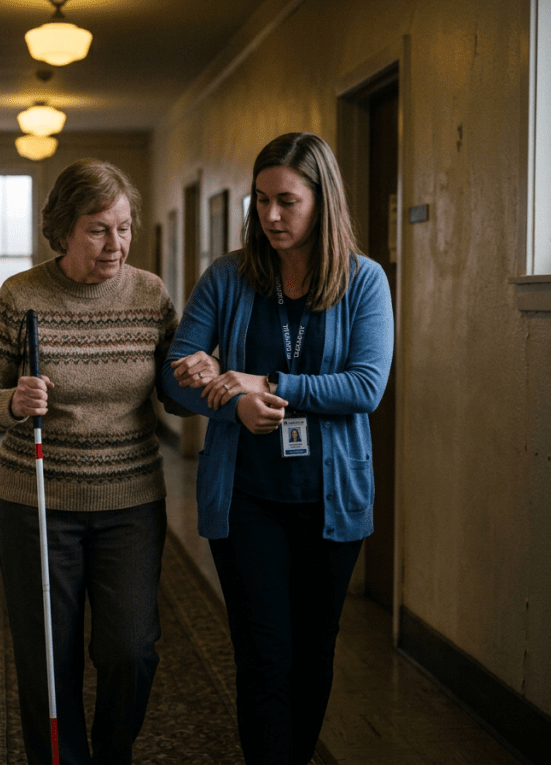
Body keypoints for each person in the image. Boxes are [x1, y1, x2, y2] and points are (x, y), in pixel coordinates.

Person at [0, 159, 214, 765]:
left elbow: (173, 398)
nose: (116, 244)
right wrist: (12, 401)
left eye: (124, 227)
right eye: (99, 229)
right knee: (49, 656)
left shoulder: (150, 295)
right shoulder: (21, 296)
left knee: (131, 648)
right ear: (63, 230)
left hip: (130, 501)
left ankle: (112, 752)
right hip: (37, 503)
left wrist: (199, 377)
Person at [162, 132, 394, 765]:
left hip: (330, 499)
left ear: (323, 201)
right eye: (260, 201)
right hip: (245, 499)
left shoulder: (364, 281)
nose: (270, 217)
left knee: (313, 652)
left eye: (287, 201)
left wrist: (266, 382)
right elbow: (176, 370)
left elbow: (367, 385)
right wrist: (219, 391)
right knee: (264, 654)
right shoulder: (229, 277)